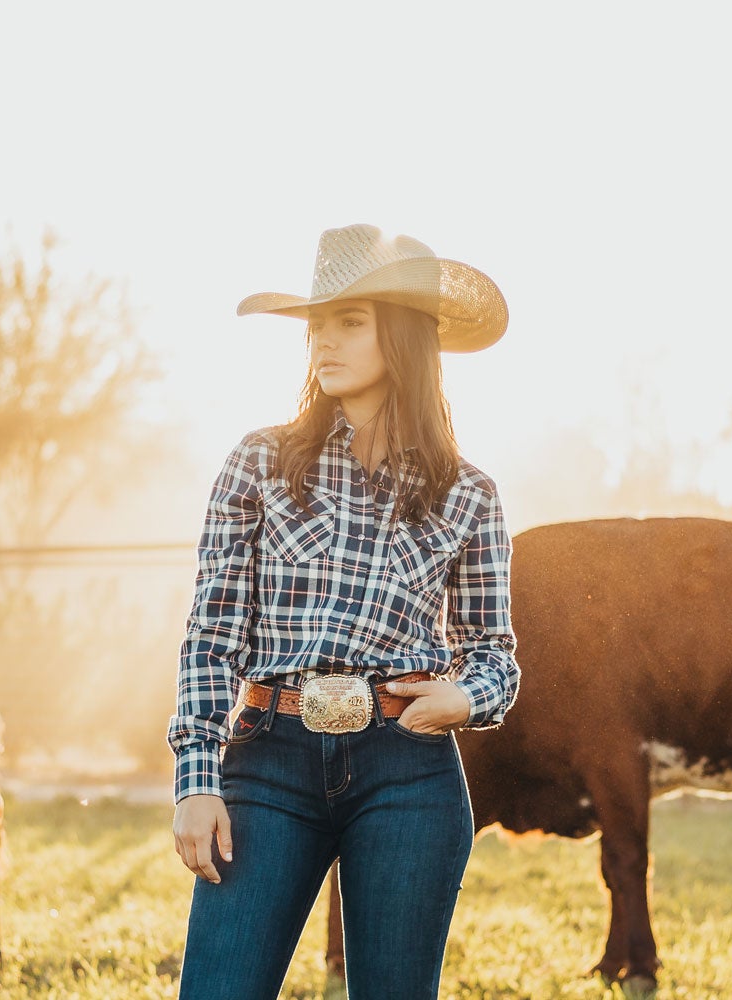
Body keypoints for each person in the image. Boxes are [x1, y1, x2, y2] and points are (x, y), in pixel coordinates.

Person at [168, 223, 521, 999]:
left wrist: (462, 697)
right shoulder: (259, 462)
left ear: (401, 338)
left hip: (408, 771)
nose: (322, 341)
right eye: (316, 324)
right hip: (268, 762)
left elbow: (495, 652)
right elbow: (212, 633)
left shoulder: (470, 494)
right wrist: (197, 779)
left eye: (348, 322)